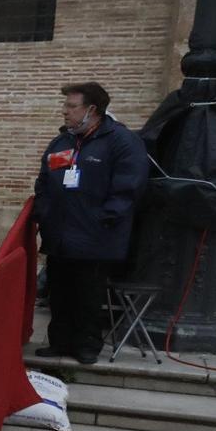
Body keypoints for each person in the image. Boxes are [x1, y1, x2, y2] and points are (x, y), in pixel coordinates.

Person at [34, 82, 147, 365]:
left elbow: (129, 187)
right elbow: (44, 182)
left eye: (71, 106)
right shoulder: (63, 142)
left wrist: (103, 219)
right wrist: (44, 214)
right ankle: (59, 342)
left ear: (91, 110)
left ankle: (87, 345)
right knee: (59, 293)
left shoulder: (121, 141)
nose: (65, 112)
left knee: (88, 294)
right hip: (60, 236)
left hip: (96, 238)